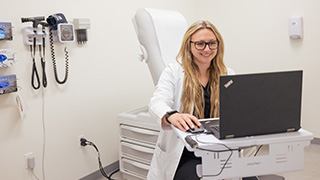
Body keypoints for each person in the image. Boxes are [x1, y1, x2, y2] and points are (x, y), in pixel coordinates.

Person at [147, 20, 235, 180]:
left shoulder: (228, 75)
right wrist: (171, 115)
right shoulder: (173, 71)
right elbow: (157, 102)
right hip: (185, 152)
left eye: (212, 43)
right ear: (189, 45)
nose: (207, 49)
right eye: (200, 44)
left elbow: (238, 109)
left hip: (219, 148)